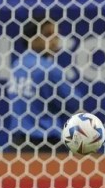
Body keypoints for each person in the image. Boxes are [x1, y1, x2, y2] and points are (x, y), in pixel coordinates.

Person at [7, 15, 84, 154]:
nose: (55, 41)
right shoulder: (49, 69)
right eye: (49, 35)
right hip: (45, 145)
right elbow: (73, 103)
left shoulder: (17, 65)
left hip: (17, 143)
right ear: (32, 39)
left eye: (56, 35)